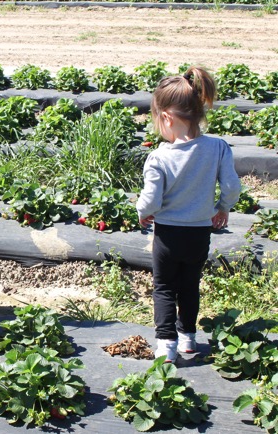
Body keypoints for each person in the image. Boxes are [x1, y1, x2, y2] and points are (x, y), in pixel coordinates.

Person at [136, 66, 241, 363]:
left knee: (165, 287)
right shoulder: (218, 148)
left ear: (167, 117)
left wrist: (142, 213)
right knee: (189, 284)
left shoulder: (159, 156)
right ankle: (188, 339)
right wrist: (222, 208)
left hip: (168, 233)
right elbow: (232, 186)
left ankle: (166, 345)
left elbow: (151, 199)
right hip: (199, 232)